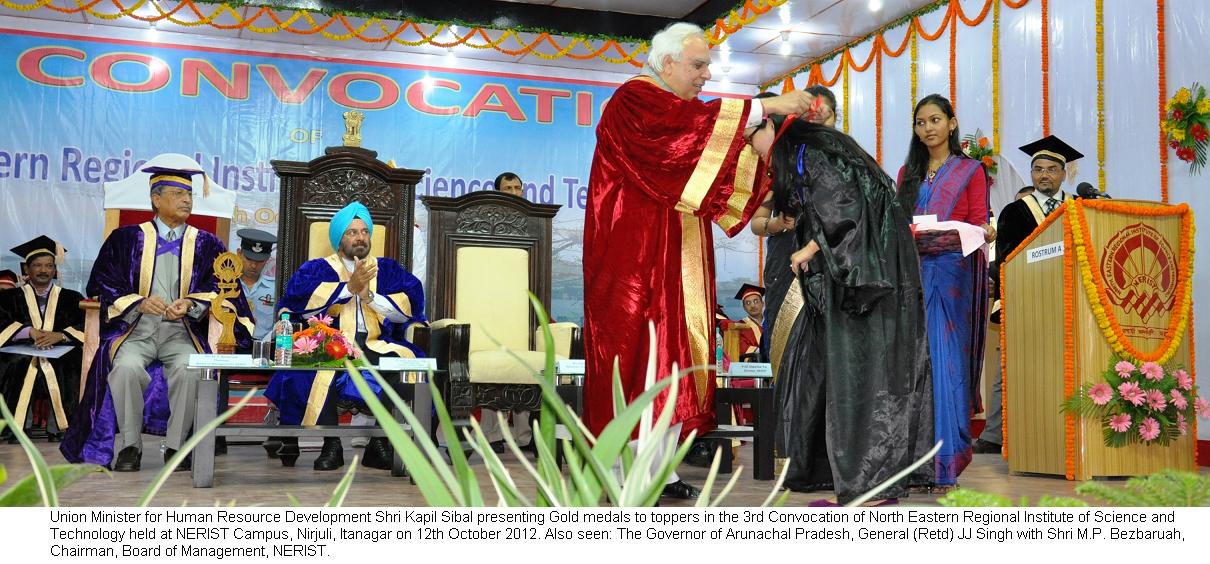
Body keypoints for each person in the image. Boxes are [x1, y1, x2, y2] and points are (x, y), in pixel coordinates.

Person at [582, 21, 814, 500]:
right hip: (633, 258)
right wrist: (766, 105)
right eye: (698, 64)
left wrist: (760, 143)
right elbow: (683, 131)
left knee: (674, 356)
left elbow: (709, 163)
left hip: (675, 251)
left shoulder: (678, 109)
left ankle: (661, 468)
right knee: (637, 356)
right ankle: (624, 473)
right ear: (666, 62)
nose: (707, 74)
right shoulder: (634, 99)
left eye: (707, 64)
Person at [772, 116, 934, 505]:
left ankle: (870, 481)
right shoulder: (830, 156)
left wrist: (811, 248)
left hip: (862, 284)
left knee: (865, 378)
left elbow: (845, 214)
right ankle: (833, 471)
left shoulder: (817, 157)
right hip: (857, 278)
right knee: (827, 372)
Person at [61, 164, 253, 471]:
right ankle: (129, 447)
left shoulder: (207, 243)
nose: (186, 201)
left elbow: (221, 287)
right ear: (155, 199)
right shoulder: (125, 239)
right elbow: (102, 282)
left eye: (189, 194)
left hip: (182, 331)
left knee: (191, 370)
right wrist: (138, 302)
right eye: (177, 194)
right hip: (136, 329)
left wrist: (191, 304)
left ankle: (177, 447)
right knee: (125, 368)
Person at [268, 201, 427, 471]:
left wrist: (369, 296)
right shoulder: (316, 269)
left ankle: (380, 443)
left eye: (364, 231)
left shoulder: (387, 269)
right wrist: (347, 288)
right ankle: (331, 444)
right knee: (308, 370)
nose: (360, 237)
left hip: (376, 345)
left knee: (413, 366)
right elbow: (296, 304)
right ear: (339, 237)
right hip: (329, 344)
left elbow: (410, 307)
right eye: (352, 232)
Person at [896, 94, 993, 491]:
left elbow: (976, 224)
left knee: (946, 365)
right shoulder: (908, 173)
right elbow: (898, 221)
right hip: (913, 278)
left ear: (952, 123)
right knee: (916, 368)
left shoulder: (971, 171)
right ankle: (915, 466)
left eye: (935, 120)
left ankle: (945, 465)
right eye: (920, 122)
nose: (928, 128)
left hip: (951, 277)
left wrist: (981, 232)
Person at [975, 135, 1084, 455]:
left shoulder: (1079, 208)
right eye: (1038, 169)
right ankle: (997, 434)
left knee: (1066, 368)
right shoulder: (1015, 211)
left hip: (1070, 301)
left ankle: (1064, 432)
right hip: (1027, 301)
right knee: (1012, 369)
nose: (1044, 175)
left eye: (1052, 169)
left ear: (1064, 173)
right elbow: (1005, 258)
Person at [0, 236, 85, 443]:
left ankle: (62, 427)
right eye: (37, 265)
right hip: (19, 350)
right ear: (26, 269)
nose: (43, 270)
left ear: (55, 270)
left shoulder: (72, 297)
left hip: (61, 350)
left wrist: (61, 335)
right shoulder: (8, 297)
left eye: (49, 265)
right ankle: (17, 427)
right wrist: (28, 332)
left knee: (69, 363)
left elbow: (87, 325)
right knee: (15, 364)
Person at [235, 228, 278, 341]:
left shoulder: (275, 289)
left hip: (265, 348)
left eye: (260, 261)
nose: (253, 266)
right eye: (249, 259)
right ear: (239, 254)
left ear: (268, 259)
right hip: (231, 348)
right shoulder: (226, 286)